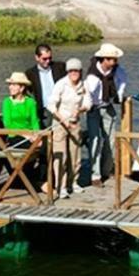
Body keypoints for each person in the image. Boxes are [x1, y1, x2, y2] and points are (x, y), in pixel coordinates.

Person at [47, 58, 93, 198]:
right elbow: (51, 104)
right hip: (59, 123)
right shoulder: (61, 84)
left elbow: (88, 103)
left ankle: (73, 183)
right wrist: (61, 119)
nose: (74, 73)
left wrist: (80, 110)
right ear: (68, 72)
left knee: (75, 155)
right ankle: (60, 186)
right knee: (61, 156)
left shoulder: (84, 85)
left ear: (80, 72)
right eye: (71, 71)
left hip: (75, 123)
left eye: (77, 71)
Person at [83, 43, 127, 187]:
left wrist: (119, 95)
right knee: (95, 141)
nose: (113, 62)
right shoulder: (92, 75)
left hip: (107, 106)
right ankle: (95, 175)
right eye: (110, 59)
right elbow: (88, 91)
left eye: (115, 59)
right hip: (94, 109)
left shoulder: (117, 70)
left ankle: (106, 170)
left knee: (111, 140)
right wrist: (87, 104)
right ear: (103, 59)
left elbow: (123, 80)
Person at [0, 72, 41, 187]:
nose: (10, 87)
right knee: (29, 147)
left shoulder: (30, 102)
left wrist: (36, 135)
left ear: (22, 87)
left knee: (45, 147)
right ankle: (31, 183)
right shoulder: (7, 103)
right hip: (14, 137)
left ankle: (38, 179)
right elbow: (8, 125)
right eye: (10, 84)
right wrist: (25, 135)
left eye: (14, 85)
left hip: (30, 136)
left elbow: (34, 121)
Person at [25, 44, 67, 129]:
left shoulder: (60, 67)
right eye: (44, 59)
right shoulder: (30, 73)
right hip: (44, 109)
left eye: (50, 58)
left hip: (61, 107)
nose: (48, 61)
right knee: (47, 134)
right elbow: (27, 92)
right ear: (37, 57)